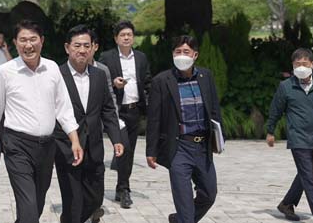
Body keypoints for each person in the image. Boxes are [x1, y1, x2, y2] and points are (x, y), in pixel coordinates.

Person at [0, 20, 83, 223]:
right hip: (17, 146)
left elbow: (63, 107)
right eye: (23, 40)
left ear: (42, 41)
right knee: (29, 209)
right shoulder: (5, 72)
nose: (28, 45)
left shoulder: (52, 68)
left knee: (36, 204)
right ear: (15, 42)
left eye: (33, 39)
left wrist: (74, 139)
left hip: (47, 147)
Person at [146, 35, 222, 223]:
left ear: (195, 55)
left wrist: (219, 139)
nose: (181, 55)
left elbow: (214, 110)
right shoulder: (161, 81)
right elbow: (154, 119)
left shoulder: (206, 76)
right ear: (172, 54)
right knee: (185, 204)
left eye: (186, 52)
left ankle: (179, 220)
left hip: (203, 148)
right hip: (179, 147)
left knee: (209, 194)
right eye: (178, 52)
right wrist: (151, 151)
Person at [54, 26, 123, 223]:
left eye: (86, 45)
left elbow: (108, 109)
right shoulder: (56, 75)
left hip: (94, 148)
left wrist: (116, 138)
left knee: (95, 199)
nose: (82, 50)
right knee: (73, 201)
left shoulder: (100, 75)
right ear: (67, 47)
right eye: (77, 45)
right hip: (67, 149)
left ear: (93, 48)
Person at [266, 48, 313, 223]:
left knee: (304, 174)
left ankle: (286, 204)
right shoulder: (286, 87)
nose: (301, 67)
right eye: (297, 64)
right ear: (292, 66)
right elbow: (275, 110)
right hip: (297, 139)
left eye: (304, 64)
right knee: (309, 178)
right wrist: (270, 131)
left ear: (312, 65)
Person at [98, 20, 150, 208]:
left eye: (129, 34)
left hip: (134, 110)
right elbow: (99, 81)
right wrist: (113, 82)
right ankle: (124, 189)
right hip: (116, 111)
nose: (126, 38)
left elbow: (147, 81)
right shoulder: (107, 57)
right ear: (116, 38)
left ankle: (122, 188)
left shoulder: (141, 57)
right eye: (122, 35)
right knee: (125, 148)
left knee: (130, 151)